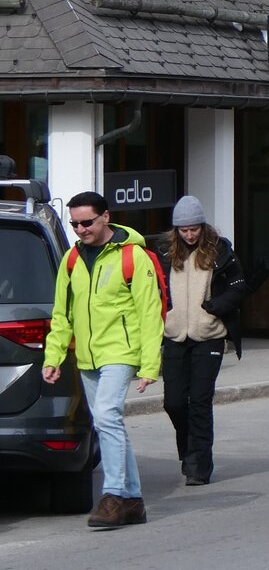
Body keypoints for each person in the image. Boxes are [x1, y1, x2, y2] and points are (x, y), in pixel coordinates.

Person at [41, 191, 163, 529]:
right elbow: (61, 314)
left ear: (106, 217)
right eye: (74, 223)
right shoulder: (71, 260)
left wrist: (150, 365)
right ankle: (134, 501)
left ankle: (112, 496)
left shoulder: (133, 257)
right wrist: (54, 356)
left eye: (87, 222)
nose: (80, 229)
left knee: (108, 417)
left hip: (120, 352)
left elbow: (150, 313)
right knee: (106, 423)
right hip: (87, 356)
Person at [160, 195, 250, 486]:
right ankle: (188, 450)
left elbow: (238, 287)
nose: (189, 234)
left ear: (202, 226)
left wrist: (214, 308)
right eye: (184, 230)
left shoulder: (220, 250)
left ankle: (199, 466)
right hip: (174, 335)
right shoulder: (164, 253)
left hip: (208, 335)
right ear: (176, 230)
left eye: (194, 228)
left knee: (199, 401)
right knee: (174, 403)